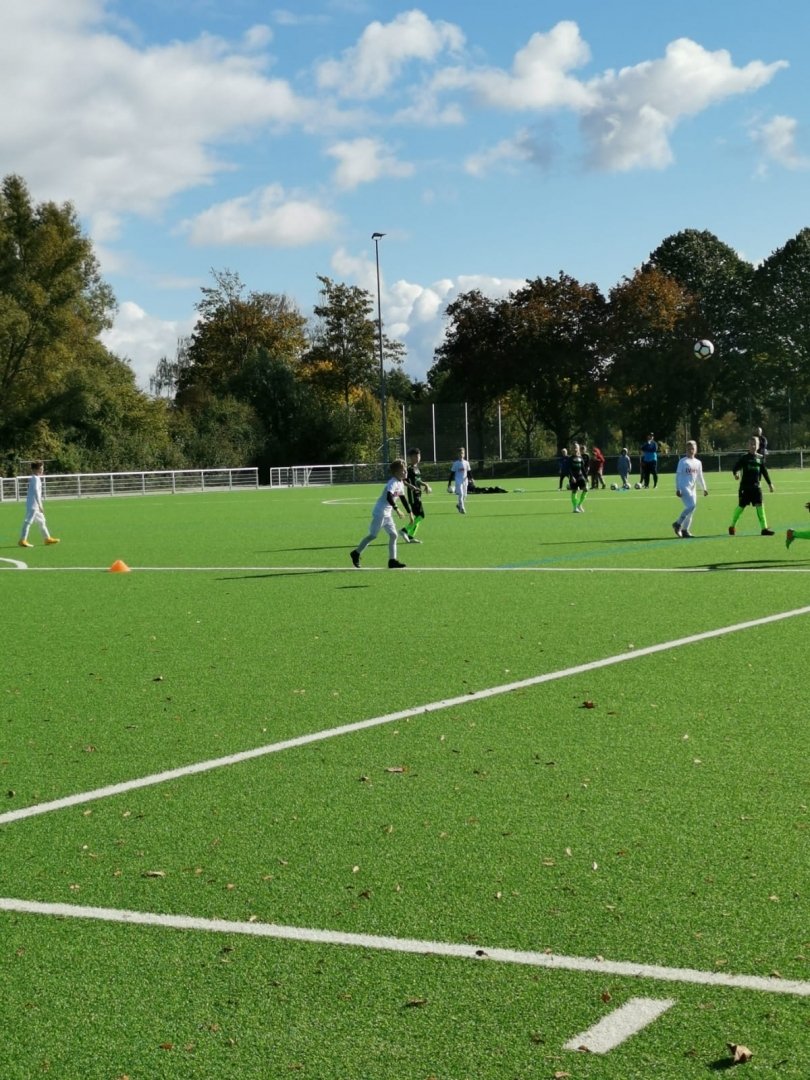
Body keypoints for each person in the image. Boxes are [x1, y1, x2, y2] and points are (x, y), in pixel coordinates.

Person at [350, 459, 412, 569]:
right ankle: (356, 553)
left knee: (394, 535)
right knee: (373, 536)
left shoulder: (400, 483)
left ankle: (392, 561)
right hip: (380, 512)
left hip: (387, 513)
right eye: (403, 470)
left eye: (406, 470)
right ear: (395, 473)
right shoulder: (392, 482)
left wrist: (410, 513)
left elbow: (403, 498)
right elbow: (389, 496)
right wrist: (397, 509)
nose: (405, 472)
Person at [729, 436, 774, 536]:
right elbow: (735, 467)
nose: (753, 446)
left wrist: (770, 484)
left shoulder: (760, 458)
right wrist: (735, 473)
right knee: (741, 507)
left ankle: (764, 528)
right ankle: (732, 526)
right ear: (748, 446)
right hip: (745, 488)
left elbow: (764, 471)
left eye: (755, 444)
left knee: (760, 506)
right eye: (751, 444)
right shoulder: (744, 458)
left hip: (756, 487)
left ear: (758, 446)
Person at [19, 461, 60, 548]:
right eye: (40, 469)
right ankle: (23, 540)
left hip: (35, 505)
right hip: (33, 505)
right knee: (28, 522)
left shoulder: (36, 478)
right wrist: (40, 504)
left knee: (42, 521)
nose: (42, 470)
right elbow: (36, 492)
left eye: (42, 468)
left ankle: (47, 538)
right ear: (34, 469)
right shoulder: (35, 479)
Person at [672, 441, 708, 538]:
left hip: (693, 489)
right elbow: (678, 475)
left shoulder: (698, 462)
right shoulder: (683, 461)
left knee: (691, 510)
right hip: (684, 488)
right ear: (686, 450)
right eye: (689, 449)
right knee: (692, 506)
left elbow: (700, 476)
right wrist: (678, 488)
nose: (691, 451)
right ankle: (677, 524)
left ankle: (685, 530)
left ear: (696, 450)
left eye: (692, 449)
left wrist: (704, 488)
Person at [401, 447, 432, 544]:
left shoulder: (417, 469)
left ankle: (411, 537)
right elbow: (404, 481)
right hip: (413, 495)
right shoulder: (409, 469)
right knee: (421, 515)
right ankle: (404, 530)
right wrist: (410, 486)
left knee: (418, 517)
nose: (418, 458)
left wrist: (426, 484)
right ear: (410, 457)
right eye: (415, 456)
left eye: (418, 456)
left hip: (418, 494)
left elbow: (418, 480)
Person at [447, 447, 471, 514]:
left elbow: (469, 472)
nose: (461, 455)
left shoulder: (466, 463)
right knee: (461, 494)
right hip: (458, 481)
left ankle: (458, 505)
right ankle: (462, 508)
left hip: (465, 481)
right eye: (460, 453)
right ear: (458, 454)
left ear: (464, 454)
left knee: (465, 495)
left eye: (462, 453)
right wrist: (449, 482)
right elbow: (452, 473)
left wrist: (471, 478)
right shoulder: (456, 463)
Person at [567, 442, 588, 513]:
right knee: (574, 491)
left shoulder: (580, 458)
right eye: (574, 447)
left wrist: (586, 477)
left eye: (576, 447)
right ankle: (575, 507)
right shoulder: (570, 458)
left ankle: (579, 504)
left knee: (586, 489)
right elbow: (569, 468)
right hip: (573, 477)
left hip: (580, 476)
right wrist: (571, 476)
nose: (575, 448)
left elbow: (583, 468)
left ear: (578, 449)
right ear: (572, 449)